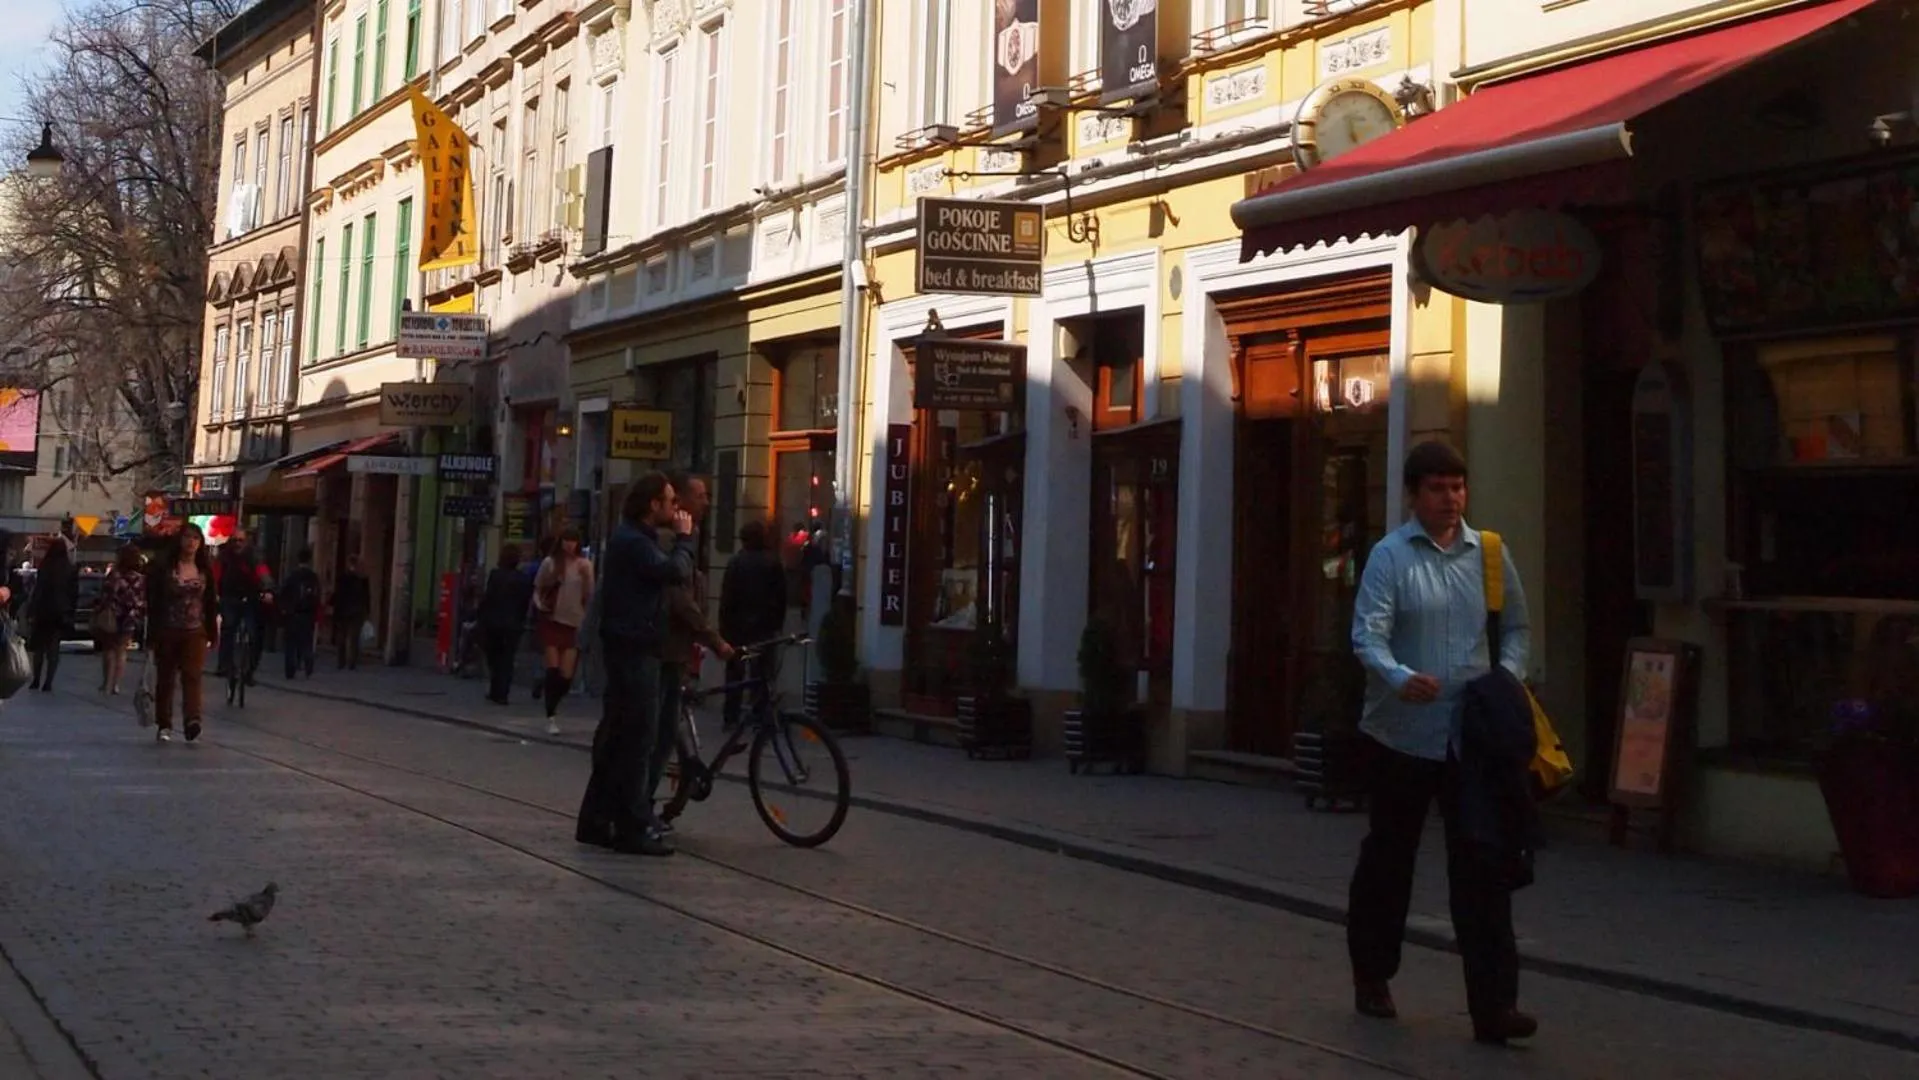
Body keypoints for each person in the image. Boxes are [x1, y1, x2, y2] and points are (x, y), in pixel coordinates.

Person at [1347, 440, 1535, 1046]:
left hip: (1471, 742)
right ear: (1413, 495)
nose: (1450, 498)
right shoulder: (1390, 557)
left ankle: (1494, 1007)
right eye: (1437, 488)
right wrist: (1399, 678)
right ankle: (1373, 974)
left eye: (1457, 486)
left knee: (1482, 867)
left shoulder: (1491, 554)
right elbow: (1367, 635)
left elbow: (1517, 628)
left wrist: (1505, 678)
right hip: (1401, 736)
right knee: (1390, 859)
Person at [575, 471, 694, 857]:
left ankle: (596, 820)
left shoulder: (633, 538)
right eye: (670, 501)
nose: (676, 508)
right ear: (652, 505)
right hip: (635, 649)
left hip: (629, 645)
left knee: (618, 740)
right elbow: (674, 573)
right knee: (638, 740)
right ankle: (632, 825)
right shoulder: (635, 542)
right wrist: (685, 540)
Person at [658, 473, 736, 827]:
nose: (707, 502)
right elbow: (679, 597)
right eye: (701, 496)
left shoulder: (694, 535)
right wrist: (713, 639)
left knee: (673, 717)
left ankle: (675, 784)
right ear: (681, 501)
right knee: (664, 728)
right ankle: (646, 803)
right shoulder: (670, 539)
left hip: (682, 646)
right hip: (666, 646)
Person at [145, 522, 219, 743]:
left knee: (192, 676)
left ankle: (192, 720)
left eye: (196, 538)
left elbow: (210, 602)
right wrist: (152, 634)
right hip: (168, 629)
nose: (191, 542)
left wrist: (212, 631)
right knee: (166, 678)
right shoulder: (165, 568)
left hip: (195, 630)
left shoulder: (204, 569)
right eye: (187, 537)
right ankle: (164, 723)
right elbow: (153, 600)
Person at [719, 519, 788, 731]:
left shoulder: (736, 563)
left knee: (735, 674)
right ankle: (760, 716)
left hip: (737, 628)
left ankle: (731, 716)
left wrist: (724, 628)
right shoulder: (773, 562)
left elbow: (727, 598)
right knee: (762, 674)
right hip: (764, 628)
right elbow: (781, 598)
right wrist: (776, 624)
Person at [532, 527, 595, 735]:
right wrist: (540, 605)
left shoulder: (584, 565)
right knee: (553, 669)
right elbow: (538, 587)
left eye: (573, 541)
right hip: (552, 619)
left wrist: (586, 578)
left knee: (566, 676)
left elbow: (590, 596)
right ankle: (551, 716)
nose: (570, 545)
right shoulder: (550, 563)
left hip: (573, 621)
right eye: (566, 540)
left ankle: (543, 686)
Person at [477, 544, 534, 706]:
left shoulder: (495, 575)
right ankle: (503, 692)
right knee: (508, 658)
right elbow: (525, 602)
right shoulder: (523, 579)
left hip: (493, 622)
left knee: (494, 656)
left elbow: (488, 598)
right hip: (513, 623)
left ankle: (495, 689)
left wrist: (481, 616)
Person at [215, 530, 273, 684]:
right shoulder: (224, 557)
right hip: (230, 596)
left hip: (251, 596)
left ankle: (249, 671)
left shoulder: (254, 556)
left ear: (246, 542)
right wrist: (214, 592)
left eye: (241, 540)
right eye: (235, 540)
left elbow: (263, 573)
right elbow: (216, 575)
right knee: (228, 628)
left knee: (254, 634)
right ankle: (225, 665)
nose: (238, 544)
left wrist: (267, 590)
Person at [25, 537, 77, 693]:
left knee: (39, 648)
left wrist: (31, 611)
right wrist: (70, 612)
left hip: (43, 611)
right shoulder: (70, 569)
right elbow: (73, 594)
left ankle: (36, 679)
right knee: (53, 648)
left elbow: (38, 591)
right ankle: (48, 682)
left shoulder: (45, 566)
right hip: (60, 613)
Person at [95, 544, 147, 695]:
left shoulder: (115, 576)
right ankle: (116, 684)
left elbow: (106, 595)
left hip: (113, 615)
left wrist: (99, 610)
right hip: (130, 617)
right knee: (122, 650)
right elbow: (142, 599)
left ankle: (106, 682)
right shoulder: (141, 579)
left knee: (109, 650)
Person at [278, 548, 321, 679]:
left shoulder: (292, 576)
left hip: (293, 614)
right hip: (308, 614)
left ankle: (290, 669)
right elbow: (317, 595)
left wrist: (284, 609)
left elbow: (283, 593)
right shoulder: (313, 577)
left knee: (291, 643)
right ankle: (308, 664)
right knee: (306, 641)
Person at [331, 554, 371, 669]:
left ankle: (344, 661)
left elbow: (338, 595)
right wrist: (367, 611)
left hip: (347, 611)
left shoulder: (345, 578)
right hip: (355, 611)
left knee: (345, 637)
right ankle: (350, 662)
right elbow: (366, 597)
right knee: (352, 637)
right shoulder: (361, 579)